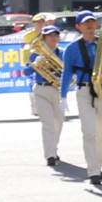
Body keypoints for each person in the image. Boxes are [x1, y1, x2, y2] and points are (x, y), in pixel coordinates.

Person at [60, 12, 102, 185]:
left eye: (92, 22)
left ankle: (98, 163)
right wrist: (63, 96)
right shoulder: (72, 48)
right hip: (84, 91)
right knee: (89, 132)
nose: (90, 25)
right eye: (85, 23)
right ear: (78, 26)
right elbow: (67, 73)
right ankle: (93, 170)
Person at [30, 23, 66, 167]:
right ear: (44, 38)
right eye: (50, 36)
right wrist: (35, 63)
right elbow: (26, 71)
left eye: (55, 35)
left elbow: (69, 71)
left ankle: (54, 148)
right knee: (48, 124)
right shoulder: (36, 52)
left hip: (58, 90)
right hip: (41, 90)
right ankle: (50, 155)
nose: (53, 38)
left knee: (58, 123)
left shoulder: (63, 53)